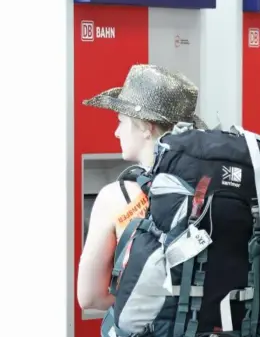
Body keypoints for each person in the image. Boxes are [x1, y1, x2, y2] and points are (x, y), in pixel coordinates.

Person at [77, 64, 207, 311]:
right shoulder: (210, 187)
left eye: (121, 121)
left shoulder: (116, 198)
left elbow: (90, 297)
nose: (116, 132)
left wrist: (149, 306)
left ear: (146, 127)